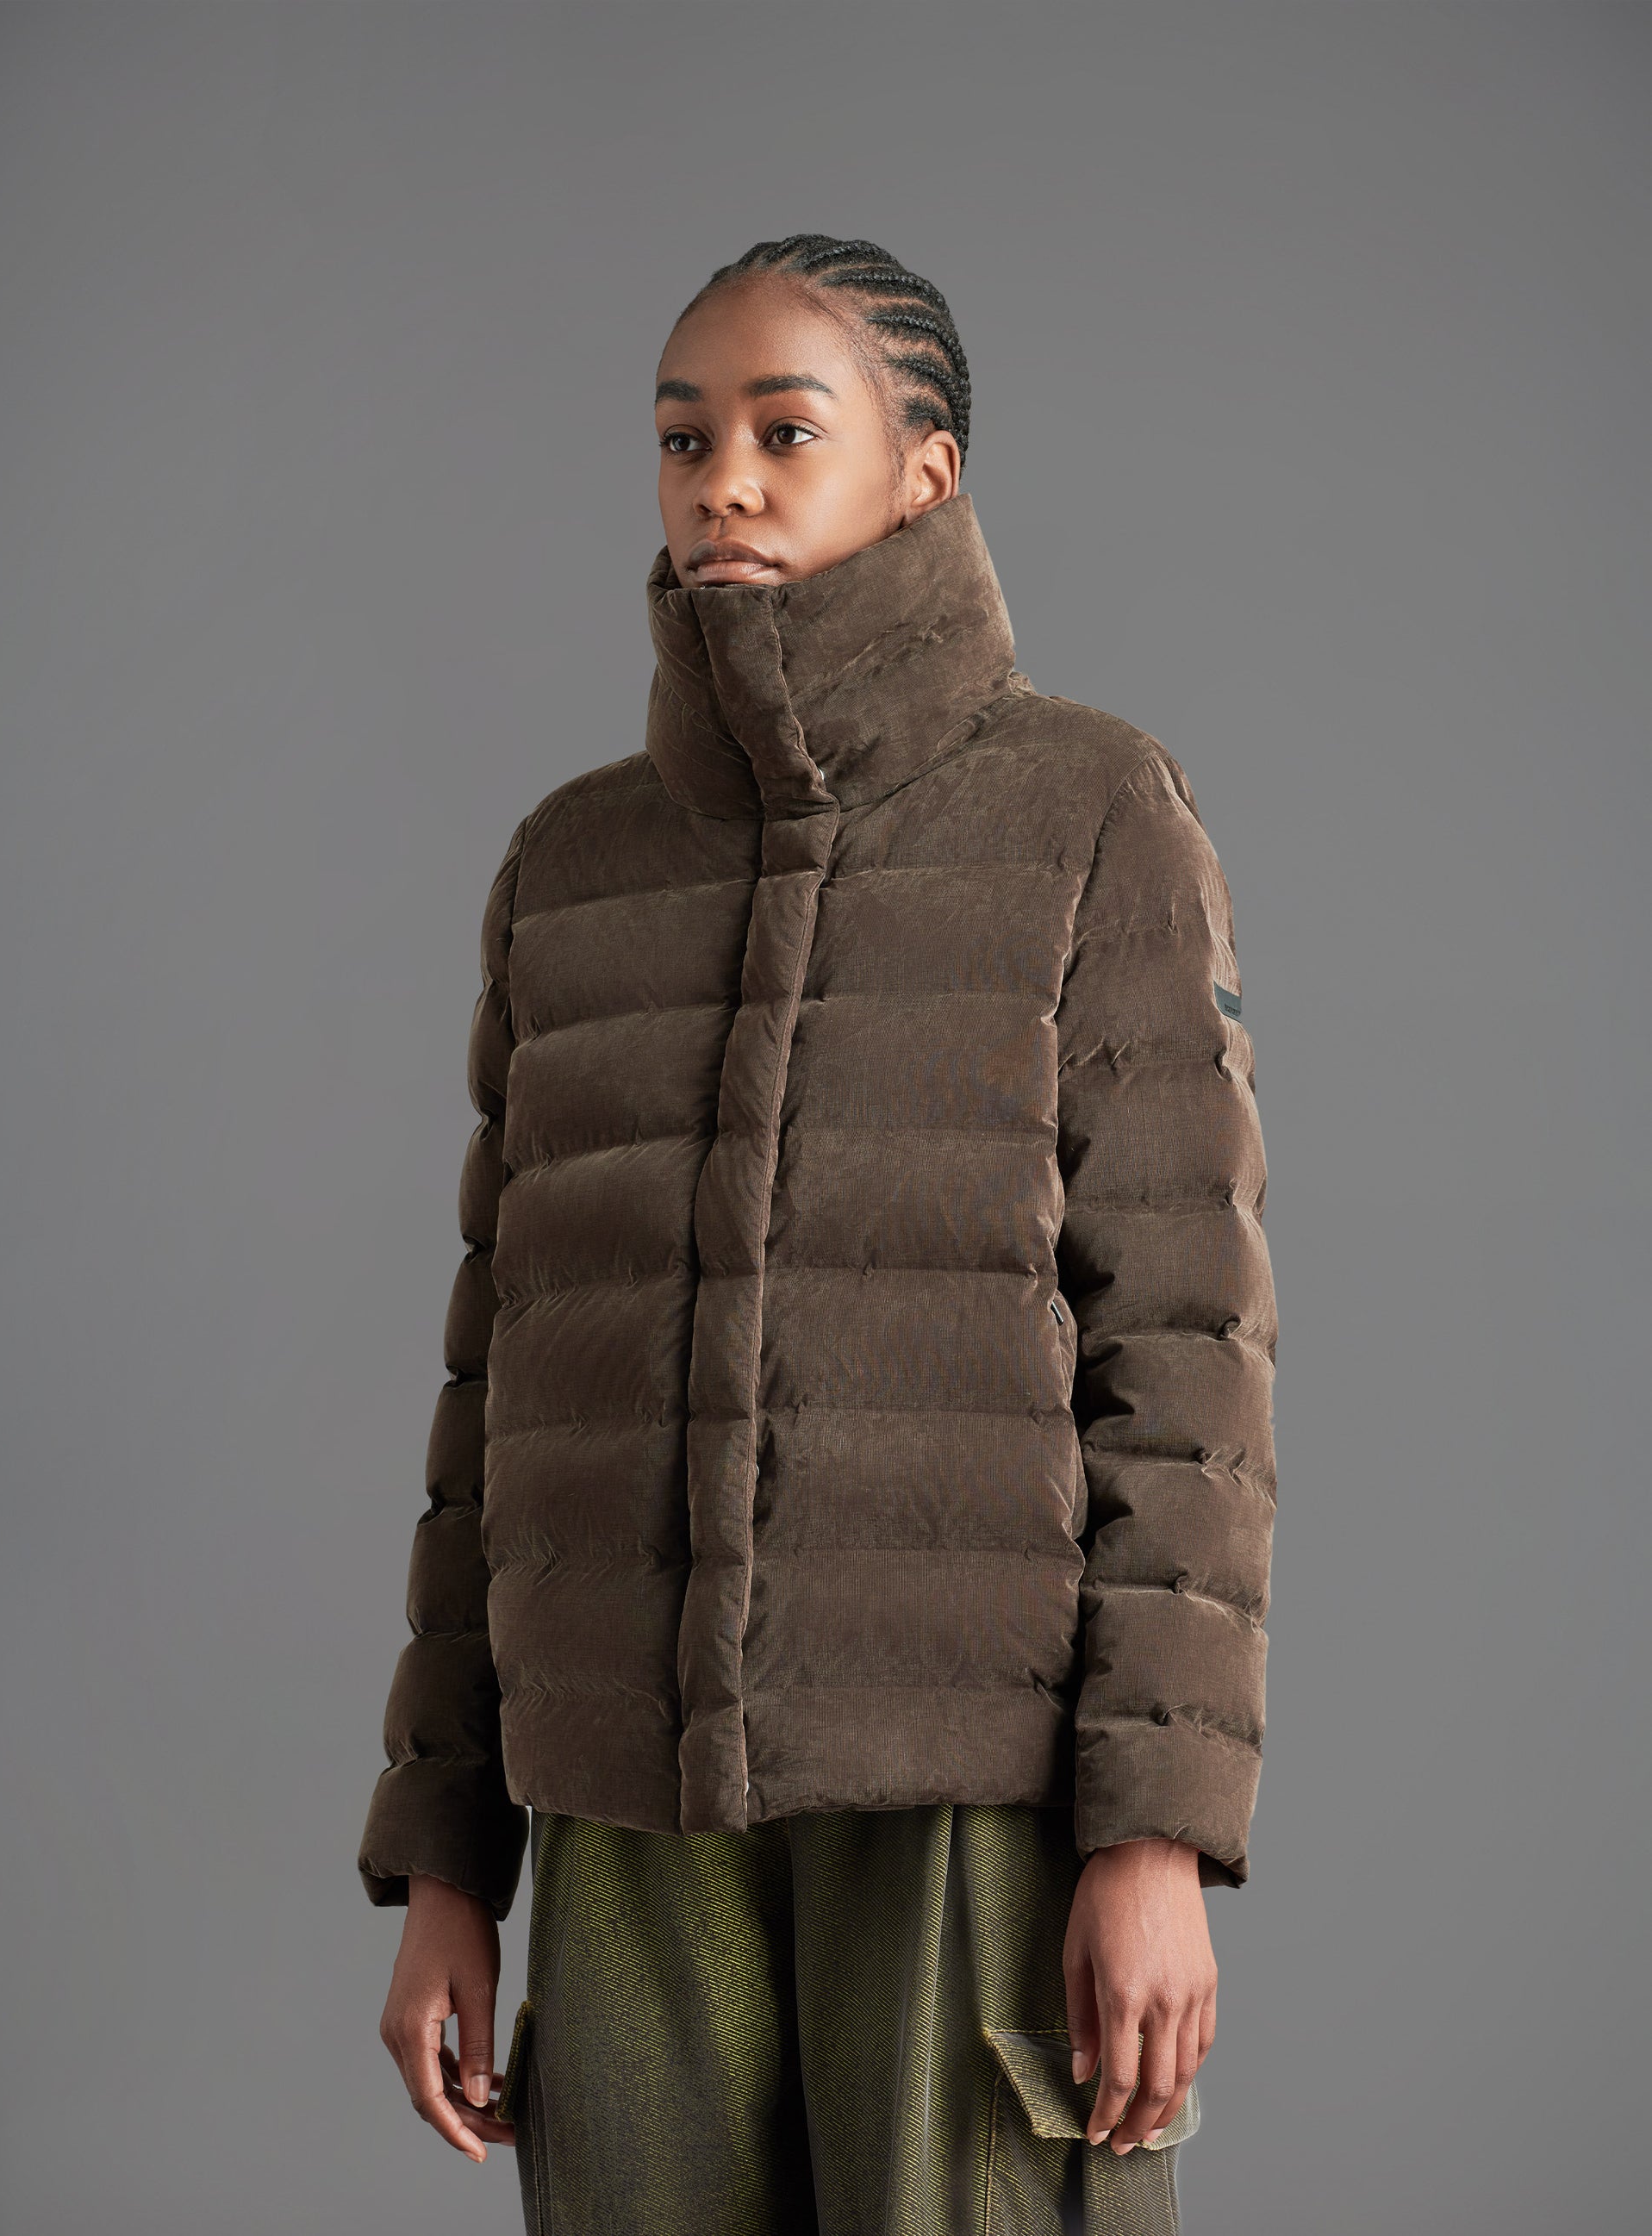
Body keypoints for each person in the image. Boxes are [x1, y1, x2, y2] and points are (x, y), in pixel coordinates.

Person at [358, 236, 1277, 2236]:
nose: (725, 483)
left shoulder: (1090, 816)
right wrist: (447, 1859)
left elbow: (1185, 1365)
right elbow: (492, 1392)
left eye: (786, 431)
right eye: (684, 438)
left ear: (924, 473)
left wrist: (1151, 1838)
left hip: (971, 1794)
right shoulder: (571, 867)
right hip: (624, 1803)